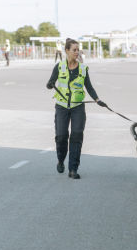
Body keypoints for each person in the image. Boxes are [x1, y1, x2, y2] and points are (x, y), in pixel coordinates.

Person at [46, 38, 107, 178]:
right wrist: (49, 84)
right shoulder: (59, 66)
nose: (76, 52)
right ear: (67, 51)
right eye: (74, 50)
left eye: (77, 50)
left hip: (78, 107)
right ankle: (60, 159)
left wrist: (97, 100)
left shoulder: (83, 69)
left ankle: (73, 169)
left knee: (77, 136)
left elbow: (89, 87)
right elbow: (51, 81)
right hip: (61, 107)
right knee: (61, 136)